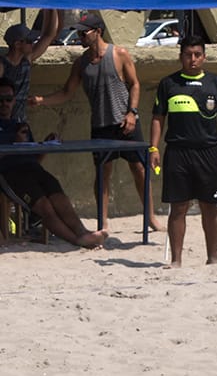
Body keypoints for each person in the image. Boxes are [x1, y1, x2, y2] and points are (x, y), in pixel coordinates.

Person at [29, 12, 163, 232]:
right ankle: (103, 221)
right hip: (101, 125)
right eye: (79, 33)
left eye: (84, 33)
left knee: (140, 169)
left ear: (98, 31)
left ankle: (150, 217)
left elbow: (135, 84)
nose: (80, 37)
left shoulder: (119, 54)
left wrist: (133, 113)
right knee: (102, 174)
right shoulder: (81, 63)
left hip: (126, 123)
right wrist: (42, 101)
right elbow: (66, 92)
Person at [148, 36, 217, 267]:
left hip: (208, 152)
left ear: (204, 57)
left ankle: (212, 259)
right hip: (177, 153)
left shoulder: (215, 83)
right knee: (178, 207)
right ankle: (176, 261)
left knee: (209, 206)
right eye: (188, 55)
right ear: (181, 57)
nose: (193, 59)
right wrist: (153, 148)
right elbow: (158, 118)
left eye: (197, 54)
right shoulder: (168, 84)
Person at [0, 77, 108, 249]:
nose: (5, 104)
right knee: (44, 206)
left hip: (33, 170)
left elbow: (33, 157)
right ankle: (76, 240)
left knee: (59, 197)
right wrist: (14, 143)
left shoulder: (20, 125)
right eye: (1, 100)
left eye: (9, 99)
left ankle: (82, 233)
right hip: (10, 174)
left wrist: (46, 145)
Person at [2, 11, 59, 122]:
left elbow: (49, 35)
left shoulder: (26, 61)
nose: (32, 44)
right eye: (29, 41)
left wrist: (52, 8)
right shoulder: (3, 65)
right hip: (4, 124)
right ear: (17, 44)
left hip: (20, 122)